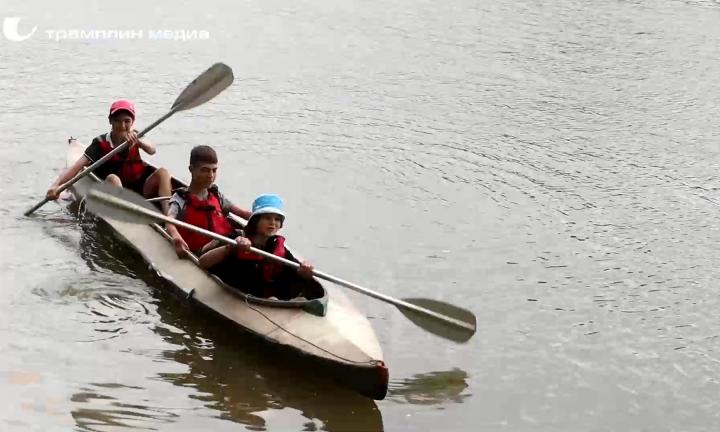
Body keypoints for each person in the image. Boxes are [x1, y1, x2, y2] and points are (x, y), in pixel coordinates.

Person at [45, 99, 172, 211]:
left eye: (127, 121)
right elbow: (76, 167)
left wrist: (138, 141)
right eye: (117, 121)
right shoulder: (100, 143)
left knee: (163, 172)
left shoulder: (138, 135)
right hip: (115, 192)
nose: (122, 126)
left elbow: (152, 150)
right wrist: (55, 186)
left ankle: (169, 219)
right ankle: (128, 213)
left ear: (133, 121)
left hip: (141, 190)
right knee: (113, 178)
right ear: (110, 121)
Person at [198, 193, 316, 300]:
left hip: (266, 298)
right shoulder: (235, 237)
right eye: (267, 218)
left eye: (277, 219)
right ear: (255, 221)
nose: (273, 223)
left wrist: (304, 271)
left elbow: (294, 272)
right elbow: (203, 262)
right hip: (238, 293)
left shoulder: (277, 246)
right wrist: (231, 247)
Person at [166, 145, 252, 257]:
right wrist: (176, 238)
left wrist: (264, 218)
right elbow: (169, 221)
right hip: (203, 252)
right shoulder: (181, 198)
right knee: (236, 236)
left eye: (214, 170)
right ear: (191, 169)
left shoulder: (217, 195)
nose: (211, 175)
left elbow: (242, 213)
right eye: (205, 170)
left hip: (227, 245)